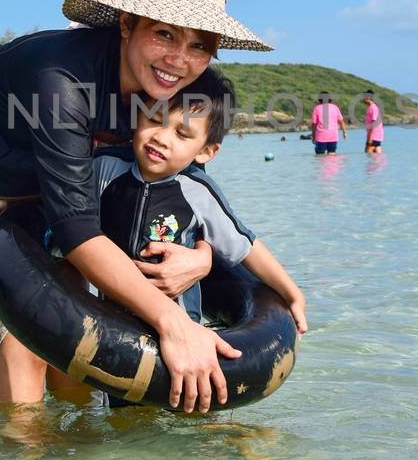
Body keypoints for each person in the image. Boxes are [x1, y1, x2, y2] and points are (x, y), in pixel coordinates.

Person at [0, 0, 271, 413]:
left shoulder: (163, 88)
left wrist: (203, 257)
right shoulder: (63, 80)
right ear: (126, 23)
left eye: (199, 44)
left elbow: (186, 186)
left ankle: (84, 458)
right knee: (29, 329)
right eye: (164, 34)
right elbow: (78, 230)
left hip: (58, 168)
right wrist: (174, 324)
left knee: (78, 311)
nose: (178, 59)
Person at [92, 70, 307, 342]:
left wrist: (293, 294)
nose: (162, 137)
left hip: (179, 325)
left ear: (206, 151)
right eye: (155, 120)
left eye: (182, 134)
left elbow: (244, 245)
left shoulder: (199, 191)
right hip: (111, 317)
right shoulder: (106, 168)